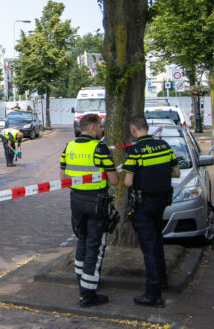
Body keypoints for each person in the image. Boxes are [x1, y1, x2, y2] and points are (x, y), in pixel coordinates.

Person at [60, 114, 119, 307]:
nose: (102, 130)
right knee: (95, 245)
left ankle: (82, 282)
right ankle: (87, 295)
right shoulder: (99, 148)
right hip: (96, 202)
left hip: (76, 201)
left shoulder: (69, 147)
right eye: (101, 126)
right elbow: (114, 180)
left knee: (82, 241)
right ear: (93, 127)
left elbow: (63, 178)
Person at [123, 115, 180, 308]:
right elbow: (176, 172)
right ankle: (162, 280)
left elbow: (128, 182)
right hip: (162, 201)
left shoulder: (135, 151)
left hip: (144, 204)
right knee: (158, 240)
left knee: (149, 247)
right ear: (146, 127)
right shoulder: (164, 146)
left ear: (133, 129)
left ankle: (153, 294)